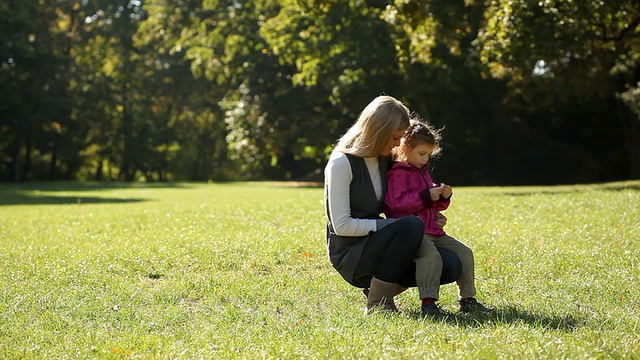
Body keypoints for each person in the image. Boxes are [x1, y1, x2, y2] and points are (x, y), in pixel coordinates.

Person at [324, 95, 461, 315]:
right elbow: (342, 226)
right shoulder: (341, 163)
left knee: (451, 264)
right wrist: (394, 226)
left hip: (384, 243)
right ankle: (378, 304)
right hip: (352, 254)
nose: (398, 144)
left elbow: (402, 201)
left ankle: (381, 290)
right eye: (395, 137)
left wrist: (431, 213)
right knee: (411, 226)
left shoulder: (384, 159)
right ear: (379, 131)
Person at [384, 118, 488, 316]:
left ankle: (468, 298)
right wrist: (425, 196)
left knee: (464, 252)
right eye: (421, 153)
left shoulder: (422, 172)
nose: (425, 159)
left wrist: (442, 198)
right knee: (430, 257)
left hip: (434, 230)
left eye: (428, 155)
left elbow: (428, 202)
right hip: (415, 233)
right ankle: (428, 302)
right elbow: (396, 204)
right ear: (405, 148)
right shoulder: (398, 173)